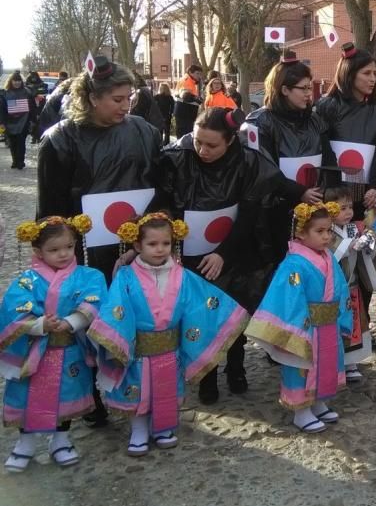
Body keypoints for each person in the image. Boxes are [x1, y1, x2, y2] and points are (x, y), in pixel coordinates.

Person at [36, 55, 161, 427]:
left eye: (129, 97)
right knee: (87, 320)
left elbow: (161, 182)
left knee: (136, 316)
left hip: (135, 247)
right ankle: (89, 393)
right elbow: (51, 209)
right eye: (118, 99)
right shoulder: (60, 140)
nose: (127, 106)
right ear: (93, 98)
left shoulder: (143, 131)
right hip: (85, 251)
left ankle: (138, 387)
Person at [153, 106, 298, 403]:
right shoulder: (177, 158)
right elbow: (163, 202)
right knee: (201, 315)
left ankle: (236, 367)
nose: (202, 150)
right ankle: (206, 375)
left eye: (211, 145)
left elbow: (248, 213)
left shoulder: (247, 161)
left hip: (236, 249)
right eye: (197, 141)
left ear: (230, 140)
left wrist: (223, 253)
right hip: (191, 253)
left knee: (236, 310)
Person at [87, 213, 248, 456]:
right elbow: (116, 309)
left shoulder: (182, 275)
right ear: (137, 245)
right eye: (152, 244)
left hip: (170, 346)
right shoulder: (126, 276)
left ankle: (163, 426)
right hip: (138, 345)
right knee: (138, 387)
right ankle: (138, 428)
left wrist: (229, 316)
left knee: (166, 388)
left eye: (166, 243)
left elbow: (199, 305)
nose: (160, 249)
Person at [2, 215, 105, 472]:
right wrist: (39, 324)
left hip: (69, 346)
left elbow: (94, 301)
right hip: (34, 349)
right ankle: (25, 442)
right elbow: (14, 307)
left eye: (69, 247)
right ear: (38, 251)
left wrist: (72, 321)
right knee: (27, 394)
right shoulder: (27, 280)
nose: (63, 254)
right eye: (54, 250)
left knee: (66, 394)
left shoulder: (88, 275)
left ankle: (60, 440)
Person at [245, 202, 353, 434]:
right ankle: (300, 411)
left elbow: (341, 287)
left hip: (328, 323)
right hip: (307, 324)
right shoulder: (293, 264)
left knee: (327, 361)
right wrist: (299, 327)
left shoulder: (328, 258)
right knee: (301, 366)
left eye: (328, 231)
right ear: (300, 233)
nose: (326, 237)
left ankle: (319, 400)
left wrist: (342, 315)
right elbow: (289, 299)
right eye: (319, 231)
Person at [241, 53, 325, 267]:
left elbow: (327, 156)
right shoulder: (260, 122)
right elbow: (264, 169)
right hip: (274, 214)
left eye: (310, 87)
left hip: (313, 205)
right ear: (285, 90)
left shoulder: (313, 119)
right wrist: (299, 192)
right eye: (303, 88)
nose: (309, 94)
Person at [316, 43, 376, 214]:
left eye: (374, 73)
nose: (373, 78)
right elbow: (323, 150)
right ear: (349, 74)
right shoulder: (326, 106)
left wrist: (375, 188)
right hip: (332, 195)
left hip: (365, 195)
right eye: (366, 73)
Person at [325, 184, 376, 384]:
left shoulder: (355, 227)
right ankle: (335, 363)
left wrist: (370, 244)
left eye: (350, 207)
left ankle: (351, 363)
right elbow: (330, 254)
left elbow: (375, 244)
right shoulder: (326, 232)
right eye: (342, 208)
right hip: (334, 289)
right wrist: (349, 245)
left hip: (353, 285)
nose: (348, 212)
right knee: (336, 325)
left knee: (354, 324)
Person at [1, 72, 37, 169]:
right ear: (11, 82)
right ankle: (15, 161)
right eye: (15, 81)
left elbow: (32, 107)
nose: (17, 83)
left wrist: (33, 120)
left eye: (18, 81)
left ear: (21, 81)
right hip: (9, 122)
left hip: (24, 121)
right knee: (12, 143)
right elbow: (2, 109)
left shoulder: (27, 93)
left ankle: (20, 161)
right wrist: (2, 122)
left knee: (21, 142)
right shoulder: (5, 94)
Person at [173, 64, 204, 138]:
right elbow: (186, 96)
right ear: (190, 72)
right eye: (197, 73)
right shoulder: (187, 80)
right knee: (184, 136)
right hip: (185, 112)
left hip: (185, 112)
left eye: (200, 74)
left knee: (183, 135)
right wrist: (197, 99)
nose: (199, 76)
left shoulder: (189, 80)